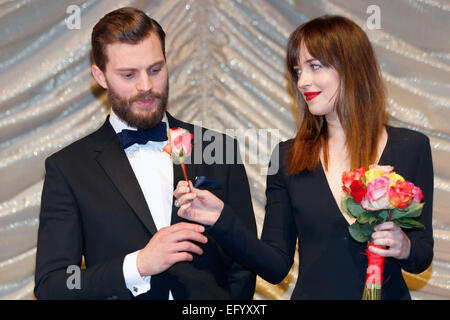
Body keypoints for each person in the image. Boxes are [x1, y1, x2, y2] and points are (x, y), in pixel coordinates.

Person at [174, 15, 434, 299]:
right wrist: (221, 218)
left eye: (315, 67)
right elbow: (274, 266)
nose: (302, 82)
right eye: (298, 71)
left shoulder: (411, 147)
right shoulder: (288, 157)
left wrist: (405, 246)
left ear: (352, 67)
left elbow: (422, 255)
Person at [34, 7, 257, 300]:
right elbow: (53, 285)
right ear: (100, 76)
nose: (146, 87)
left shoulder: (219, 149)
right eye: (128, 75)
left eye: (155, 69)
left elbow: (244, 263)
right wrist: (137, 265)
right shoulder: (69, 168)